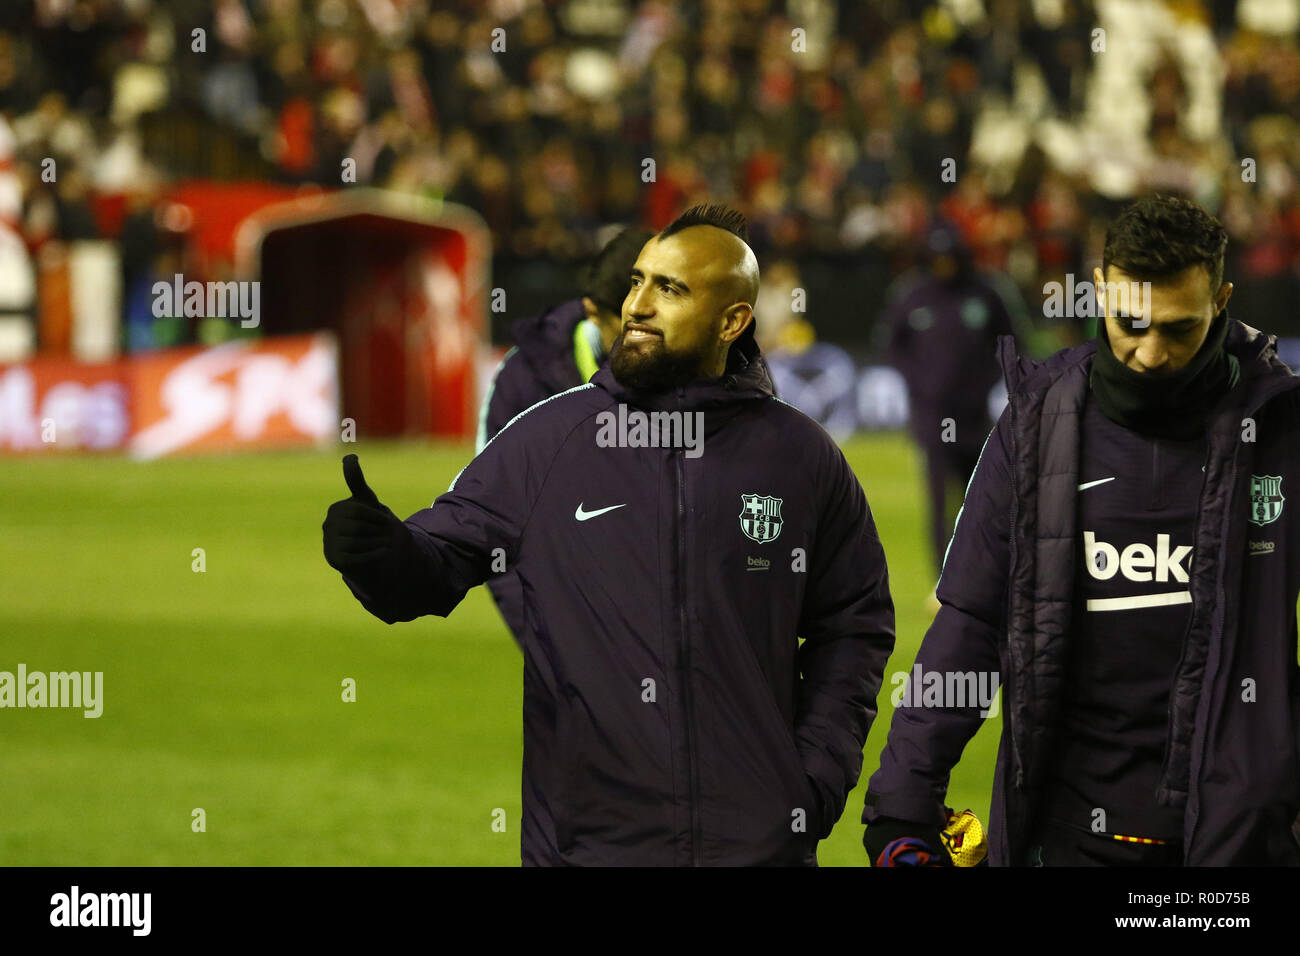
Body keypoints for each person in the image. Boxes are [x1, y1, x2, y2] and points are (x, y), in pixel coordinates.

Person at [323, 203, 896, 866]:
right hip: (588, 849)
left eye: (670, 288)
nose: (638, 306)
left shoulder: (800, 458)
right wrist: (379, 552)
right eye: (636, 281)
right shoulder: (549, 442)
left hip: (756, 849)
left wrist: (813, 782)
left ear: (733, 320)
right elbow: (429, 568)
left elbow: (854, 624)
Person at [862, 194, 1300, 866]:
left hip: (1238, 845)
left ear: (1222, 299)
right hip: (1065, 838)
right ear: (1098, 290)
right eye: (1129, 322)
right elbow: (971, 624)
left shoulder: (1278, 430)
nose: (1150, 353)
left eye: (1177, 329)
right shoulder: (1036, 427)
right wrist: (902, 806)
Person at [477, 226, 653, 647]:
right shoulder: (526, 379)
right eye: (630, 327)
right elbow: (493, 524)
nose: (645, 340)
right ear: (594, 312)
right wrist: (548, 645)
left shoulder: (712, 365)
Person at [883, 217, 1023, 581]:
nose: (944, 264)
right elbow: (893, 346)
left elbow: (1010, 342)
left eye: (950, 256)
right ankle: (942, 578)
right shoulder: (912, 295)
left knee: (980, 497)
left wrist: (988, 381)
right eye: (937, 256)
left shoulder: (985, 293)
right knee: (937, 500)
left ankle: (978, 573)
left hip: (974, 416)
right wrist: (919, 383)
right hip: (932, 416)